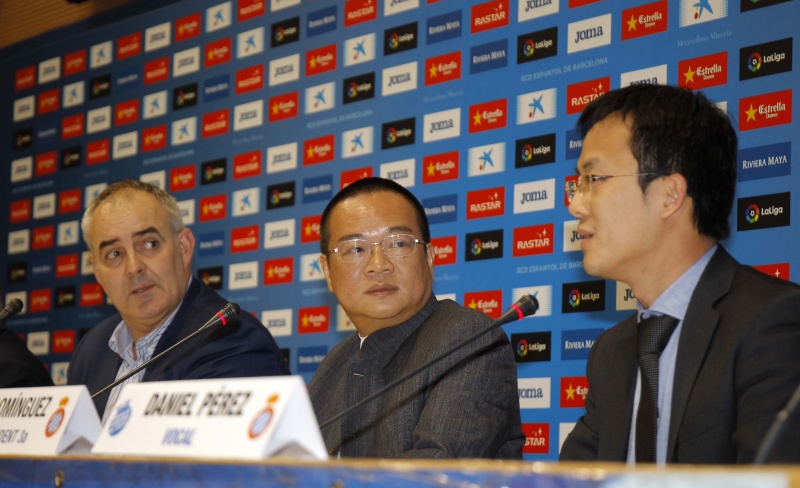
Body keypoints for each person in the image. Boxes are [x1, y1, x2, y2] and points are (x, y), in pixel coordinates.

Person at [559, 84, 800, 464]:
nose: (575, 204)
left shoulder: (771, 322)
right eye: (577, 184)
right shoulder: (612, 351)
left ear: (670, 195)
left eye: (594, 179)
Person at [308, 177, 524, 459]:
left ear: (429, 258)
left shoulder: (467, 339)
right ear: (327, 271)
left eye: (398, 243)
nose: (379, 265)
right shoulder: (335, 362)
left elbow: (434, 468)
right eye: (356, 249)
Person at [68, 180, 289, 419]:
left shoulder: (230, 339)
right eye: (114, 254)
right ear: (97, 271)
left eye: (149, 244)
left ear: (183, 248)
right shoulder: (92, 349)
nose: (133, 267)